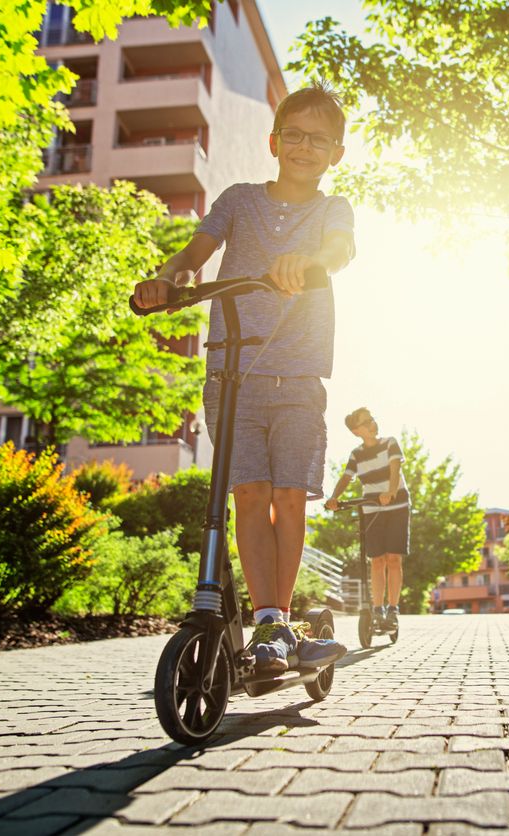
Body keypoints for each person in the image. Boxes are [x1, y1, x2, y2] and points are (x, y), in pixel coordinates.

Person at [132, 83, 354, 676]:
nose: (304, 147)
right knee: (249, 496)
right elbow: (194, 253)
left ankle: (278, 623)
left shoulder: (333, 209)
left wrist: (310, 262)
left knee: (288, 497)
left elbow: (339, 251)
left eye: (319, 140)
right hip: (232, 375)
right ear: (274, 142)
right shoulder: (238, 200)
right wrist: (168, 278)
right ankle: (267, 623)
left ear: (336, 153)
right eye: (294, 135)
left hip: (299, 376)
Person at [325, 408, 409, 627]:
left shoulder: (390, 443)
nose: (372, 423)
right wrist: (334, 498)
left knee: (393, 558)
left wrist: (390, 492)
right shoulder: (356, 454)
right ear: (356, 431)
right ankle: (378, 609)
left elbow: (395, 470)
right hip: (372, 508)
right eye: (366, 422)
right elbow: (346, 477)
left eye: (372, 419)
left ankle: (393, 610)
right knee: (377, 559)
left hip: (397, 505)